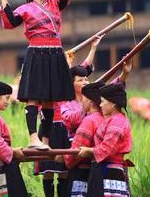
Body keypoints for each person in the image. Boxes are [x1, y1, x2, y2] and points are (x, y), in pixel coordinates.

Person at [0, 0, 73, 150]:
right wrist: (4, 3)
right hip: (37, 53)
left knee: (49, 101)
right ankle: (33, 139)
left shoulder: (56, 4)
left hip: (55, 53)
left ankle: (45, 141)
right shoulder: (25, 9)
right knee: (34, 97)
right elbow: (10, 22)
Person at [38, 36, 102, 197]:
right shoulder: (49, 81)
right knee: (49, 168)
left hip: (65, 130)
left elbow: (83, 69)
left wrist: (93, 48)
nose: (84, 81)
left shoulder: (77, 90)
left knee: (64, 169)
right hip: (50, 127)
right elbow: (65, 77)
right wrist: (65, 63)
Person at [77, 83, 132, 197]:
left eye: (102, 101)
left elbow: (107, 148)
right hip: (103, 169)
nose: (100, 105)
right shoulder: (111, 119)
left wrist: (89, 151)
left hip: (109, 172)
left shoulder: (118, 121)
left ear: (113, 104)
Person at [60, 81, 105, 197]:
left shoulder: (89, 120)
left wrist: (64, 158)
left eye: (83, 99)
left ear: (90, 102)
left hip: (82, 173)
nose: (82, 102)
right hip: (101, 172)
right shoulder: (105, 119)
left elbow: (74, 155)